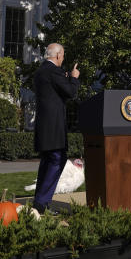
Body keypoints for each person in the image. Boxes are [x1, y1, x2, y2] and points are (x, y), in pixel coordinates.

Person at [32, 42, 79, 214]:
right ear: (58, 55)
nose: (63, 59)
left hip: (44, 125)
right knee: (57, 160)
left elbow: (54, 92)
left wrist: (64, 78)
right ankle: (40, 204)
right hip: (54, 126)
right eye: (63, 56)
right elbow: (71, 93)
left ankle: (41, 202)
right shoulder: (53, 71)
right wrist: (74, 77)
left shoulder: (41, 71)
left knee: (47, 162)